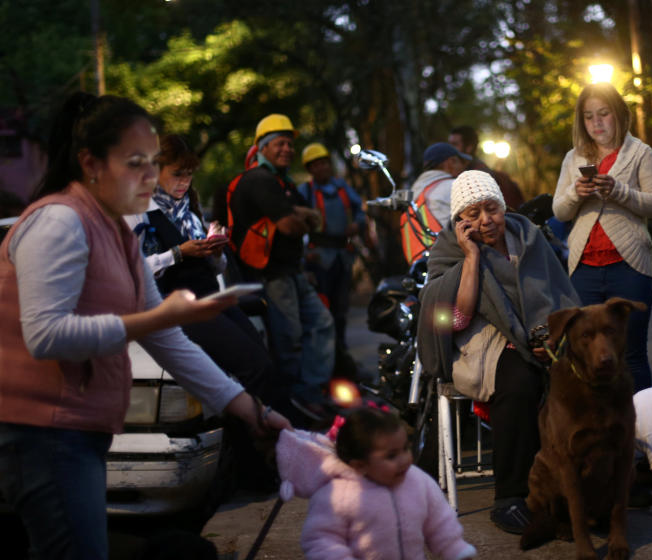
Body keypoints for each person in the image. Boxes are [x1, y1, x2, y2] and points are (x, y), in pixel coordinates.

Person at [0, 92, 290, 560]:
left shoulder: (114, 231)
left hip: (82, 432)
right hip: (43, 437)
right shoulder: (58, 222)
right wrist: (159, 316)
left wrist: (246, 408)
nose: (152, 177)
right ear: (92, 162)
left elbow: (166, 336)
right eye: (137, 162)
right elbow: (46, 335)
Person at [418, 170, 580, 535]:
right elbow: (455, 319)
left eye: (491, 209)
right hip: (478, 341)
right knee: (519, 380)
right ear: (459, 221)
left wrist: (551, 337)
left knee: (577, 377)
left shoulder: (528, 237)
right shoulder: (449, 249)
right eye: (472, 214)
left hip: (534, 334)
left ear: (503, 207)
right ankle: (509, 496)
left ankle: (570, 485)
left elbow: (558, 294)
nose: (484, 220)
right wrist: (472, 258)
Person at [124, 134, 292, 419]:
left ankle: (272, 441)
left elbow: (215, 268)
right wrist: (178, 253)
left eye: (189, 174)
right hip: (174, 307)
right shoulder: (136, 213)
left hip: (210, 298)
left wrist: (215, 252)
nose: (184, 181)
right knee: (253, 367)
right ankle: (258, 445)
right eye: (177, 174)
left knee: (264, 364)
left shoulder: (189, 212)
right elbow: (130, 270)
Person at [552, 82, 652, 391]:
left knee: (631, 355)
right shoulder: (573, 158)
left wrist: (619, 191)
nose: (597, 123)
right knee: (584, 355)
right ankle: (597, 431)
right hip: (584, 268)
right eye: (589, 117)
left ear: (618, 114)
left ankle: (642, 431)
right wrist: (576, 194)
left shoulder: (639, 152)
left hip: (628, 266)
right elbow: (560, 211)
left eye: (604, 114)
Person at [227, 113, 337, 421]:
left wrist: (300, 216)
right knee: (288, 339)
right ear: (262, 147)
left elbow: (297, 220)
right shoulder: (259, 180)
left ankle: (309, 393)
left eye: (290, 143)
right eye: (280, 143)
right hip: (270, 276)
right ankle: (291, 402)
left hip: (291, 272)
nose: (287, 148)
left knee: (322, 323)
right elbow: (290, 226)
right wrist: (305, 217)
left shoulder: (283, 183)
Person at [276, 408, 476, 560]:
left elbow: (439, 519)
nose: (404, 459)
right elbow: (321, 539)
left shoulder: (417, 479)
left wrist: (453, 547)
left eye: (405, 448)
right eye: (391, 456)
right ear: (360, 464)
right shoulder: (337, 495)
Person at [298, 142, 366, 362]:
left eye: (324, 163)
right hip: (318, 258)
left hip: (341, 257)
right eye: (315, 165)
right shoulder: (305, 192)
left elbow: (360, 211)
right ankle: (324, 357)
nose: (321, 168)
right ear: (309, 169)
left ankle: (341, 354)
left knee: (340, 309)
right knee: (322, 310)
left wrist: (357, 224)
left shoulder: (341, 187)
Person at [400, 142, 470, 264]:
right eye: (461, 162)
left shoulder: (415, 193)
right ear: (450, 162)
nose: (463, 168)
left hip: (423, 269)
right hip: (456, 264)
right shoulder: (455, 187)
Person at [448, 125, 525, 209]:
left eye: (454, 144)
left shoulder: (479, 174)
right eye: (449, 144)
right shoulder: (463, 171)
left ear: (469, 148)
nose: (449, 149)